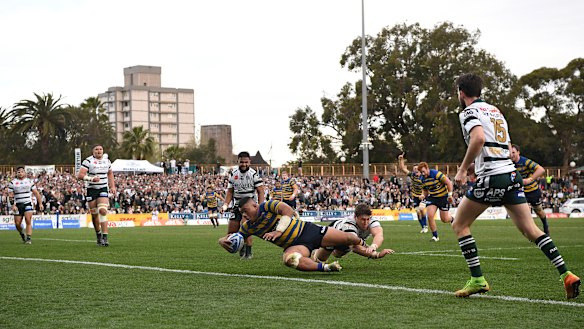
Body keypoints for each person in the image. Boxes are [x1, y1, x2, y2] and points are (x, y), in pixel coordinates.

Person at [452, 73, 580, 299]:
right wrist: (478, 164)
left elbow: (479, 139)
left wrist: (463, 170)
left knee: (460, 224)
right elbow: (506, 147)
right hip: (511, 175)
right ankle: (566, 275)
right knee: (531, 230)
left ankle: (478, 280)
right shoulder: (496, 112)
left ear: (461, 92)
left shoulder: (468, 112)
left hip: (493, 176)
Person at [219, 197, 366, 272]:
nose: (244, 215)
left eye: (246, 210)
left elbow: (287, 210)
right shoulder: (248, 227)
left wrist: (278, 231)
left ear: (255, 205)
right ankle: (327, 268)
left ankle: (368, 248)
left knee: (349, 238)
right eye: (242, 213)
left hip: (308, 231)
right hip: (296, 245)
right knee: (290, 260)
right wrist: (222, 242)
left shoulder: (267, 206)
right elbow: (233, 242)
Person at [312, 203, 394, 262]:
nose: (366, 222)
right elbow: (354, 246)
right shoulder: (349, 224)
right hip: (333, 233)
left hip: (346, 241)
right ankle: (316, 250)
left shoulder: (372, 220)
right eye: (363, 219)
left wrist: (373, 246)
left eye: (367, 219)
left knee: (339, 253)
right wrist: (376, 255)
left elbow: (378, 234)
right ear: (355, 217)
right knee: (319, 260)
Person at [222, 151, 265, 259]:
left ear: (249, 162)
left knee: (245, 228)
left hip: (249, 206)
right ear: (238, 161)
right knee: (231, 231)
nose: (244, 164)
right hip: (237, 206)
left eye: (246, 162)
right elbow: (230, 191)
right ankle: (241, 249)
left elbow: (260, 191)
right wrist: (226, 204)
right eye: (242, 162)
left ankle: (248, 253)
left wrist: (260, 206)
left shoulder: (254, 174)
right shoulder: (233, 174)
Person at [77, 144, 116, 246]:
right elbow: (80, 175)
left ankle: (105, 237)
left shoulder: (107, 161)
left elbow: (110, 173)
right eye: (96, 149)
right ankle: (98, 235)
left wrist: (112, 186)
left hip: (103, 188)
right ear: (93, 151)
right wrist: (91, 179)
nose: (99, 151)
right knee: (94, 215)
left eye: (101, 149)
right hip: (91, 189)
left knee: (103, 211)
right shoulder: (88, 161)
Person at [510, 144, 549, 235]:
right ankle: (532, 231)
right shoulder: (508, 163)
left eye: (513, 152)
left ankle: (545, 226)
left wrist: (530, 179)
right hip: (520, 191)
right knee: (525, 212)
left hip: (532, 190)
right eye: (510, 152)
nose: (511, 154)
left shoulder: (525, 161)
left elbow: (541, 169)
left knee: (539, 211)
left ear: (518, 152)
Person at [417, 162, 454, 242]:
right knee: (430, 215)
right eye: (421, 172)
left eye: (424, 171)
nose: (423, 174)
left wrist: (450, 195)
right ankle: (435, 236)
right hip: (433, 198)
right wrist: (423, 195)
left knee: (444, 219)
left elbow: (448, 183)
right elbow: (425, 191)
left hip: (443, 197)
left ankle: (452, 219)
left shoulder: (436, 174)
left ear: (427, 168)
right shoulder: (422, 179)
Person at [8, 167, 44, 244]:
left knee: (28, 220)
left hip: (27, 203)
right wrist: (13, 205)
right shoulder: (12, 183)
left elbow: (36, 193)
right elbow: (10, 195)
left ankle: (28, 238)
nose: (20, 173)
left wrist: (40, 203)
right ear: (16, 173)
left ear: (24, 173)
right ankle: (22, 233)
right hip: (18, 204)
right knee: (17, 224)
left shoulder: (29, 182)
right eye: (18, 172)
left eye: (22, 172)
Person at [397, 152, 428, 233]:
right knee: (418, 212)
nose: (415, 170)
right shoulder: (412, 175)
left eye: (417, 169)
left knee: (421, 209)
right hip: (415, 196)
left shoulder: (423, 176)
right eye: (414, 169)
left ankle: (426, 225)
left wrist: (422, 194)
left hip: (423, 196)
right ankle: (423, 227)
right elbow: (403, 169)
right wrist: (400, 159)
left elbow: (426, 188)